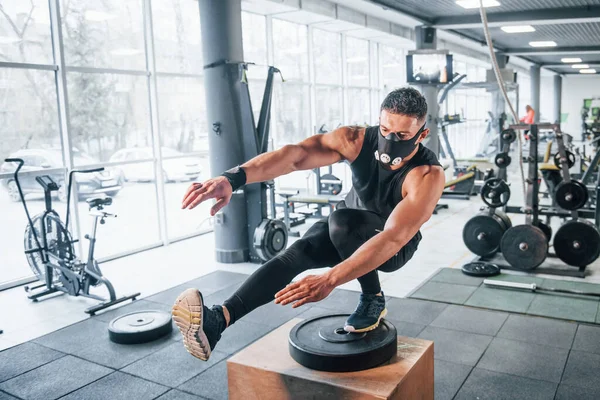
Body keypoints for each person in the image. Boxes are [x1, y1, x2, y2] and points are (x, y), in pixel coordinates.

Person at [172, 87, 446, 361]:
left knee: (341, 221)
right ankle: (218, 320)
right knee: (302, 249)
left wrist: (330, 279)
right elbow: (296, 156)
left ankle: (373, 297)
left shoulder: (427, 175)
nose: (390, 141)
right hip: (345, 229)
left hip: (393, 247)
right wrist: (233, 178)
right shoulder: (355, 140)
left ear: (422, 135)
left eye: (402, 136)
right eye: (385, 130)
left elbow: (394, 237)